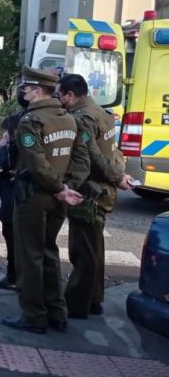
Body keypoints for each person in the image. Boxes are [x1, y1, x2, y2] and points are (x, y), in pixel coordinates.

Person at [2, 66, 90, 335]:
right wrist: (68, 188)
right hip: (60, 198)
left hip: (34, 196)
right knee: (50, 252)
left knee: (30, 257)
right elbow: (81, 160)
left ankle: (33, 316)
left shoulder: (31, 121)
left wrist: (58, 187)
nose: (23, 93)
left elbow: (36, 164)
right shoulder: (69, 119)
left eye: (25, 88)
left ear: (38, 90)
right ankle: (57, 312)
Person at [54, 74, 134, 318]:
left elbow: (92, 157)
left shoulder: (82, 118)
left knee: (83, 250)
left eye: (59, 94)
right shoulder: (101, 111)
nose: (58, 99)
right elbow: (111, 150)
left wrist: (118, 177)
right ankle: (94, 299)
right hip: (102, 190)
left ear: (70, 95)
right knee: (95, 248)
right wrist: (118, 174)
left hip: (90, 191)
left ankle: (78, 304)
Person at [0, 109, 24, 290]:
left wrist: (2, 147)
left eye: (6, 131)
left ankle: (13, 277)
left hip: (12, 200)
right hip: (19, 199)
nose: (3, 134)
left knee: (12, 241)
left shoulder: (12, 149)